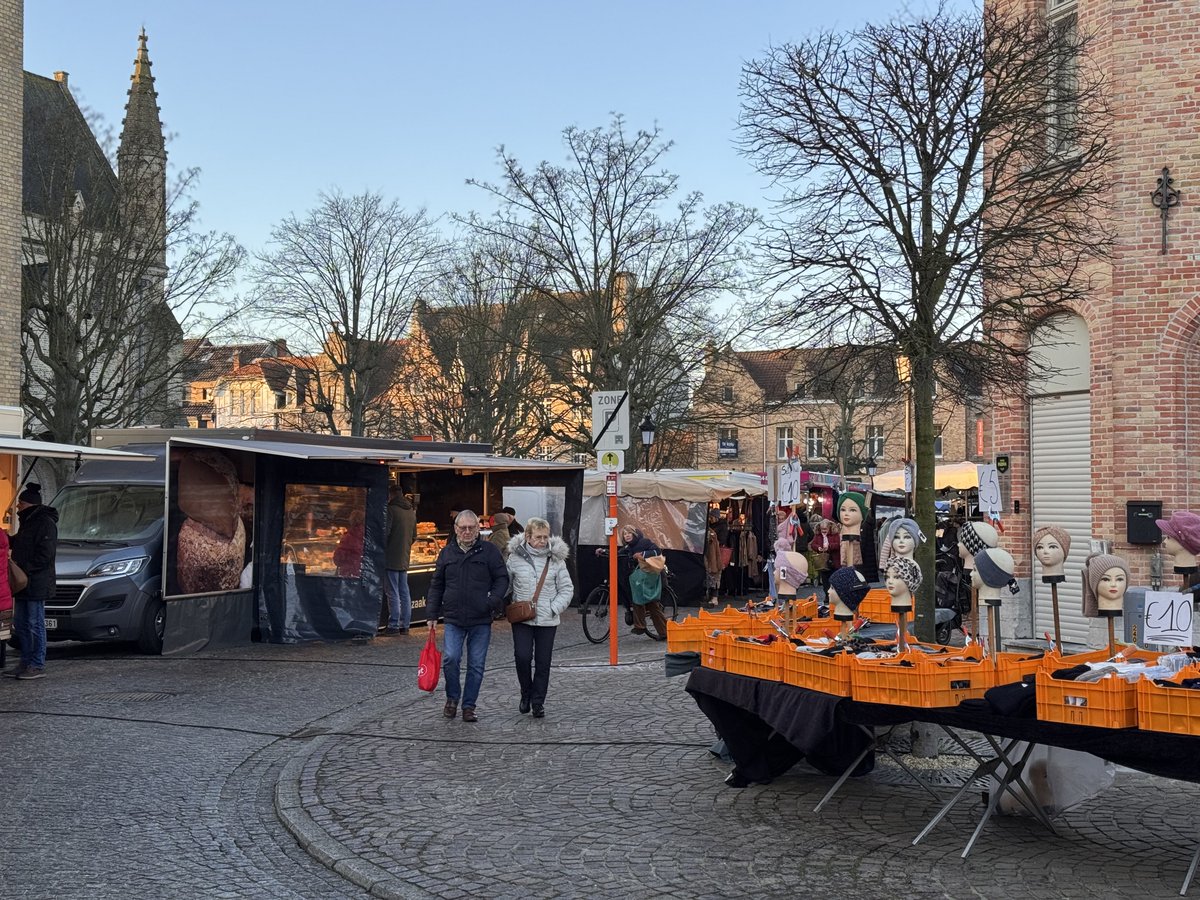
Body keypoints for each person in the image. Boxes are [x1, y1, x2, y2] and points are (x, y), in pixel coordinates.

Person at [427, 510, 509, 723]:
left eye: (471, 527)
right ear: (455, 529)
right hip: (453, 616)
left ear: (478, 528)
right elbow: (437, 584)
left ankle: (469, 705)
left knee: (476, 665)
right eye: (462, 528)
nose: (466, 531)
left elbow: (502, 579)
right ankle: (452, 698)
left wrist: (492, 601)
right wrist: (432, 613)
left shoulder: (489, 551)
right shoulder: (447, 553)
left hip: (481, 618)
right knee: (451, 658)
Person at [505, 517, 574, 718]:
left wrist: (554, 608)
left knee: (543, 662)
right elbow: (506, 585)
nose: (542, 541)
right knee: (522, 656)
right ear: (528, 536)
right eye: (538, 537)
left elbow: (567, 589)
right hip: (522, 617)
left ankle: (538, 701)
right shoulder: (514, 558)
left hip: (547, 619)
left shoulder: (556, 560)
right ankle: (526, 692)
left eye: (545, 537)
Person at [5, 483, 58, 680]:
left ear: (28, 504)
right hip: (26, 582)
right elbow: (19, 542)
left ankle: (36, 663)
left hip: (35, 582)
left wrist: (23, 569)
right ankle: (26, 661)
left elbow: (45, 555)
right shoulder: (30, 522)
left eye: (20, 504)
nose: (17, 507)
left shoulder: (43, 523)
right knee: (22, 623)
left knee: (34, 623)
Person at [620, 525, 667, 636]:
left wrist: (642, 555)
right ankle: (662, 631)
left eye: (629, 533)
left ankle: (641, 626)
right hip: (639, 579)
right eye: (624, 534)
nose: (627, 535)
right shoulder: (627, 548)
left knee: (648, 602)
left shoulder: (644, 542)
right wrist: (603, 551)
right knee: (649, 603)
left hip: (649, 576)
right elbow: (618, 553)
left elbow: (657, 551)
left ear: (634, 534)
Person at [384, 487, 416, 634]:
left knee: (393, 591)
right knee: (404, 591)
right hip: (405, 557)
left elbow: (386, 533)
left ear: (392, 495)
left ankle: (393, 624)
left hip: (391, 556)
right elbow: (414, 536)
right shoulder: (411, 511)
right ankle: (405, 624)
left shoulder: (391, 510)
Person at [333, 508, 365, 578]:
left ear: (351, 521)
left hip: (349, 574)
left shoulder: (348, 537)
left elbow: (338, 559)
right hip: (364, 573)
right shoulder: (368, 536)